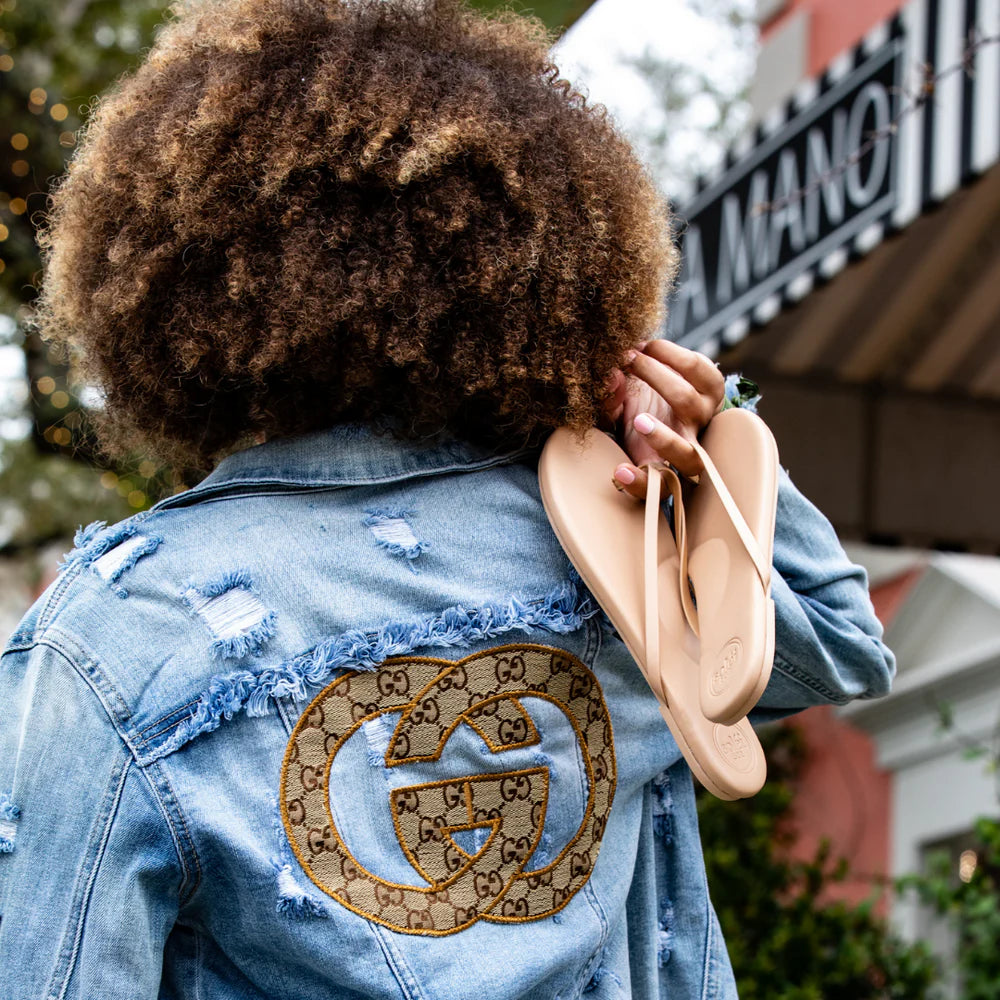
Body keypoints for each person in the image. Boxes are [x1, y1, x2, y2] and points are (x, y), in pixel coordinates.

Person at [0, 1, 893, 997]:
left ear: (170, 280)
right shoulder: (615, 540)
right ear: (543, 263)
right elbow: (841, 645)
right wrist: (705, 422)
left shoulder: (115, 635)